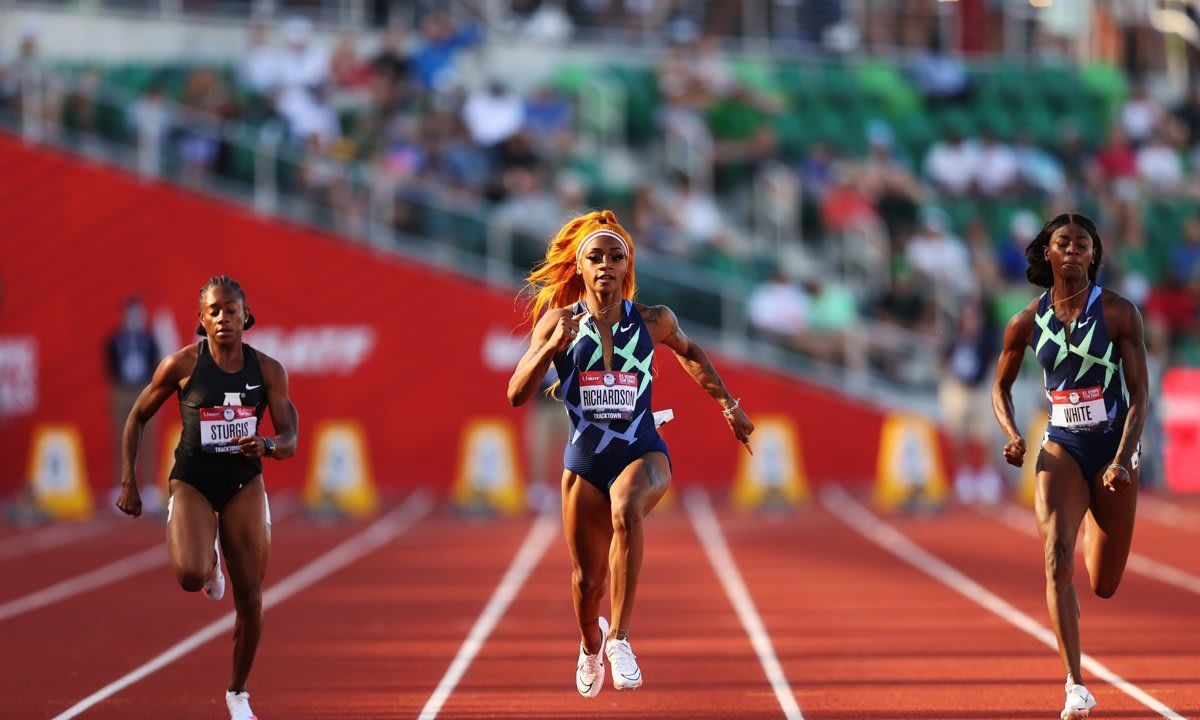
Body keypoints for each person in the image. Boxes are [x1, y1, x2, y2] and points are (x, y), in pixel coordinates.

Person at [507, 210, 754, 698]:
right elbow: (516, 393)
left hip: (643, 447)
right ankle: (589, 641)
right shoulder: (560, 322)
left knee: (627, 509)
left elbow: (691, 353)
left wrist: (728, 404)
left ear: (627, 266)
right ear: (579, 267)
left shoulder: (653, 320)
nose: (605, 266)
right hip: (584, 461)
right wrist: (546, 350)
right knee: (585, 581)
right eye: (594, 258)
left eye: (615, 257)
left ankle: (620, 638)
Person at [115, 276, 299, 720]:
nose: (222, 318)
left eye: (230, 310)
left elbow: (291, 435)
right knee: (190, 575)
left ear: (246, 316)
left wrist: (269, 446)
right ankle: (210, 560)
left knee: (251, 598)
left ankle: (238, 694)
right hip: (194, 481)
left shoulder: (268, 370)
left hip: (243, 484)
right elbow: (137, 415)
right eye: (213, 311)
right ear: (201, 320)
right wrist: (129, 481)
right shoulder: (181, 365)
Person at [992, 214, 1148, 720]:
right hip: (1060, 446)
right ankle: (1075, 685)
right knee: (1056, 559)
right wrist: (1014, 435)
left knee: (1103, 583)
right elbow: (1000, 386)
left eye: (1084, 245)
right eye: (1065, 243)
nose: (1075, 251)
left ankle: (1093, 516)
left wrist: (1124, 458)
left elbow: (1142, 396)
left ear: (1094, 255)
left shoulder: (1120, 313)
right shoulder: (1026, 321)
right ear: (1049, 253)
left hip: (1112, 452)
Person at [106, 296, 160, 495]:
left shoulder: (150, 340)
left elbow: (155, 365)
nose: (134, 319)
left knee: (147, 438)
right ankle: (121, 487)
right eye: (131, 315)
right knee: (122, 439)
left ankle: (148, 487)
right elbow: (110, 366)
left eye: (138, 315)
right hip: (122, 391)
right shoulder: (115, 340)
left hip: (143, 391)